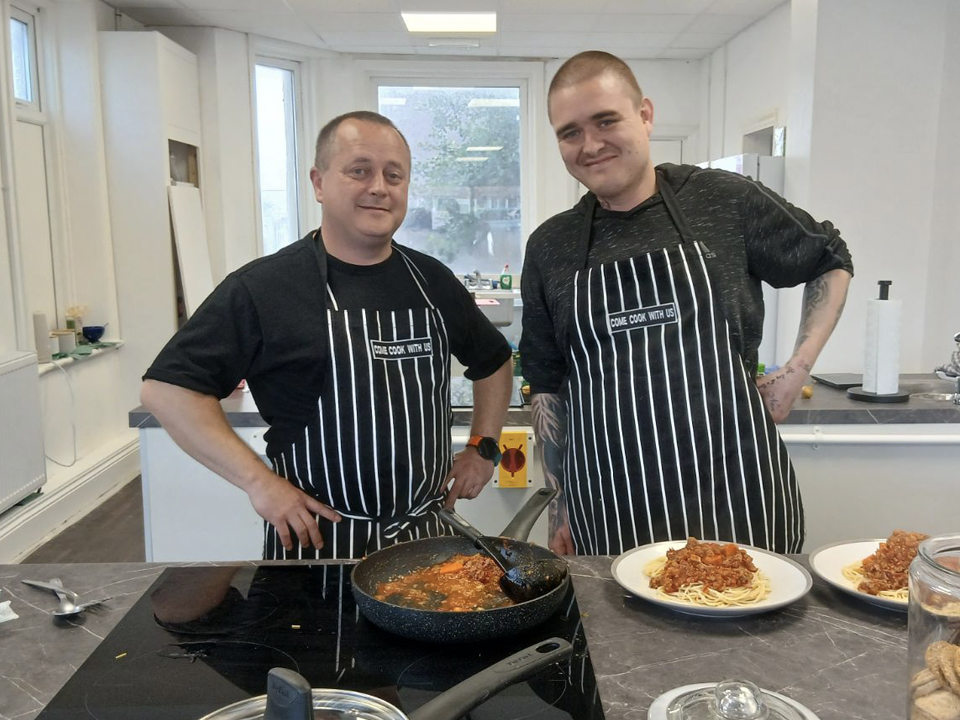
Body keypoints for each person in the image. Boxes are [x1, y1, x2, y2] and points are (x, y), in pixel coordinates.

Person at [520, 51, 853, 556]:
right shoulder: (551, 245)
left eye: (605, 121)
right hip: (610, 506)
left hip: (736, 495)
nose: (590, 145)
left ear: (645, 115)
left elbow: (830, 257)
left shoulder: (723, 200)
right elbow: (548, 385)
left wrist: (796, 371)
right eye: (570, 132)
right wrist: (561, 504)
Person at [141, 111, 514, 560]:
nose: (379, 186)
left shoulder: (431, 281)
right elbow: (166, 390)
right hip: (317, 544)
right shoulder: (266, 287)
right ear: (319, 183)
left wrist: (483, 446)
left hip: (425, 540)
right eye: (360, 170)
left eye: (394, 175)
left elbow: (493, 360)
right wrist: (258, 481)